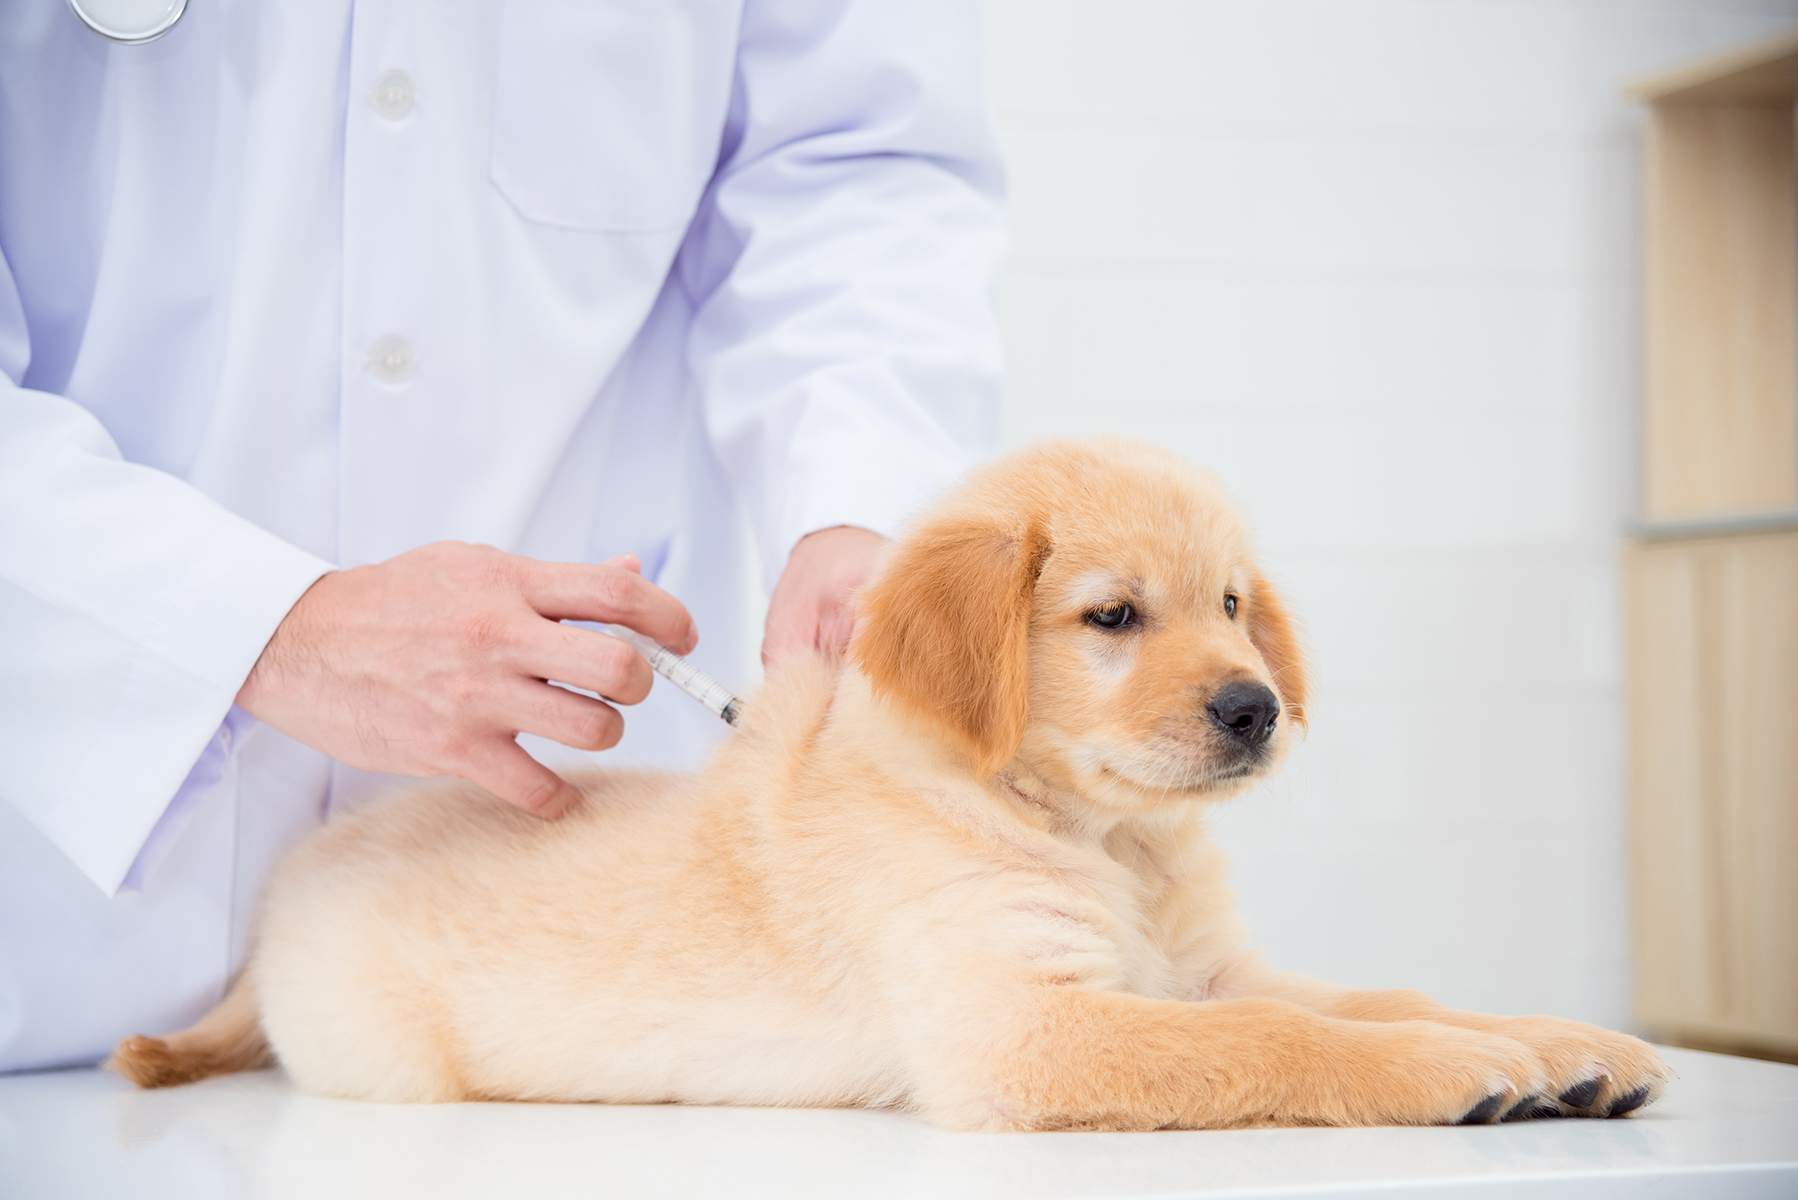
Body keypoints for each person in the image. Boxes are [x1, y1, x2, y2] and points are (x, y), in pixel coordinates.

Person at [0, 0, 1003, 1072]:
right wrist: (257, 625)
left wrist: (858, 503)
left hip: (576, 966)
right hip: (56, 942)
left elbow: (850, 166)